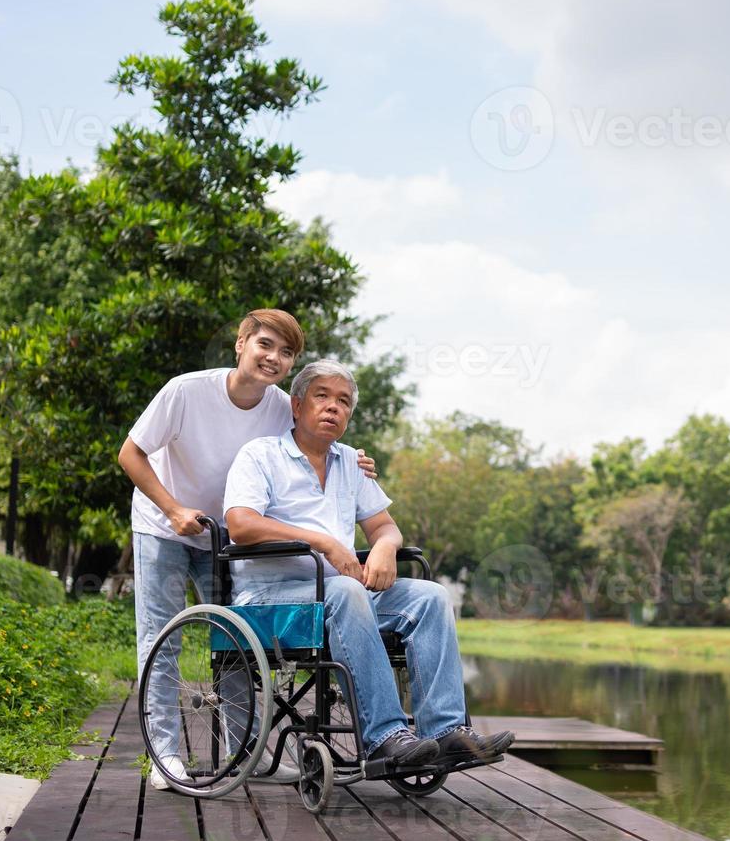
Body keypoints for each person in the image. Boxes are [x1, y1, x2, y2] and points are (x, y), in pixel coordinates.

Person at [118, 310, 378, 790]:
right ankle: (165, 756)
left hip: (232, 537)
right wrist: (174, 509)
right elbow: (129, 453)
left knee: (236, 642)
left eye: (285, 352)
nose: (273, 358)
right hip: (165, 526)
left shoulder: (282, 404)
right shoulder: (186, 391)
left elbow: (317, 435)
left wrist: (355, 458)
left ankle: (247, 750)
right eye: (265, 345)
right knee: (161, 639)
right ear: (240, 343)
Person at [223, 358, 514, 776]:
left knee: (431, 596)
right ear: (297, 405)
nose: (332, 408)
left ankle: (448, 731)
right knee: (346, 590)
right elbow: (241, 524)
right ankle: (385, 738)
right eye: (321, 397)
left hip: (343, 594)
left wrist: (385, 548)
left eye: (343, 402)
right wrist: (322, 541)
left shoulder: (350, 464)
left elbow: (385, 526)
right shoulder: (260, 455)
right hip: (271, 602)